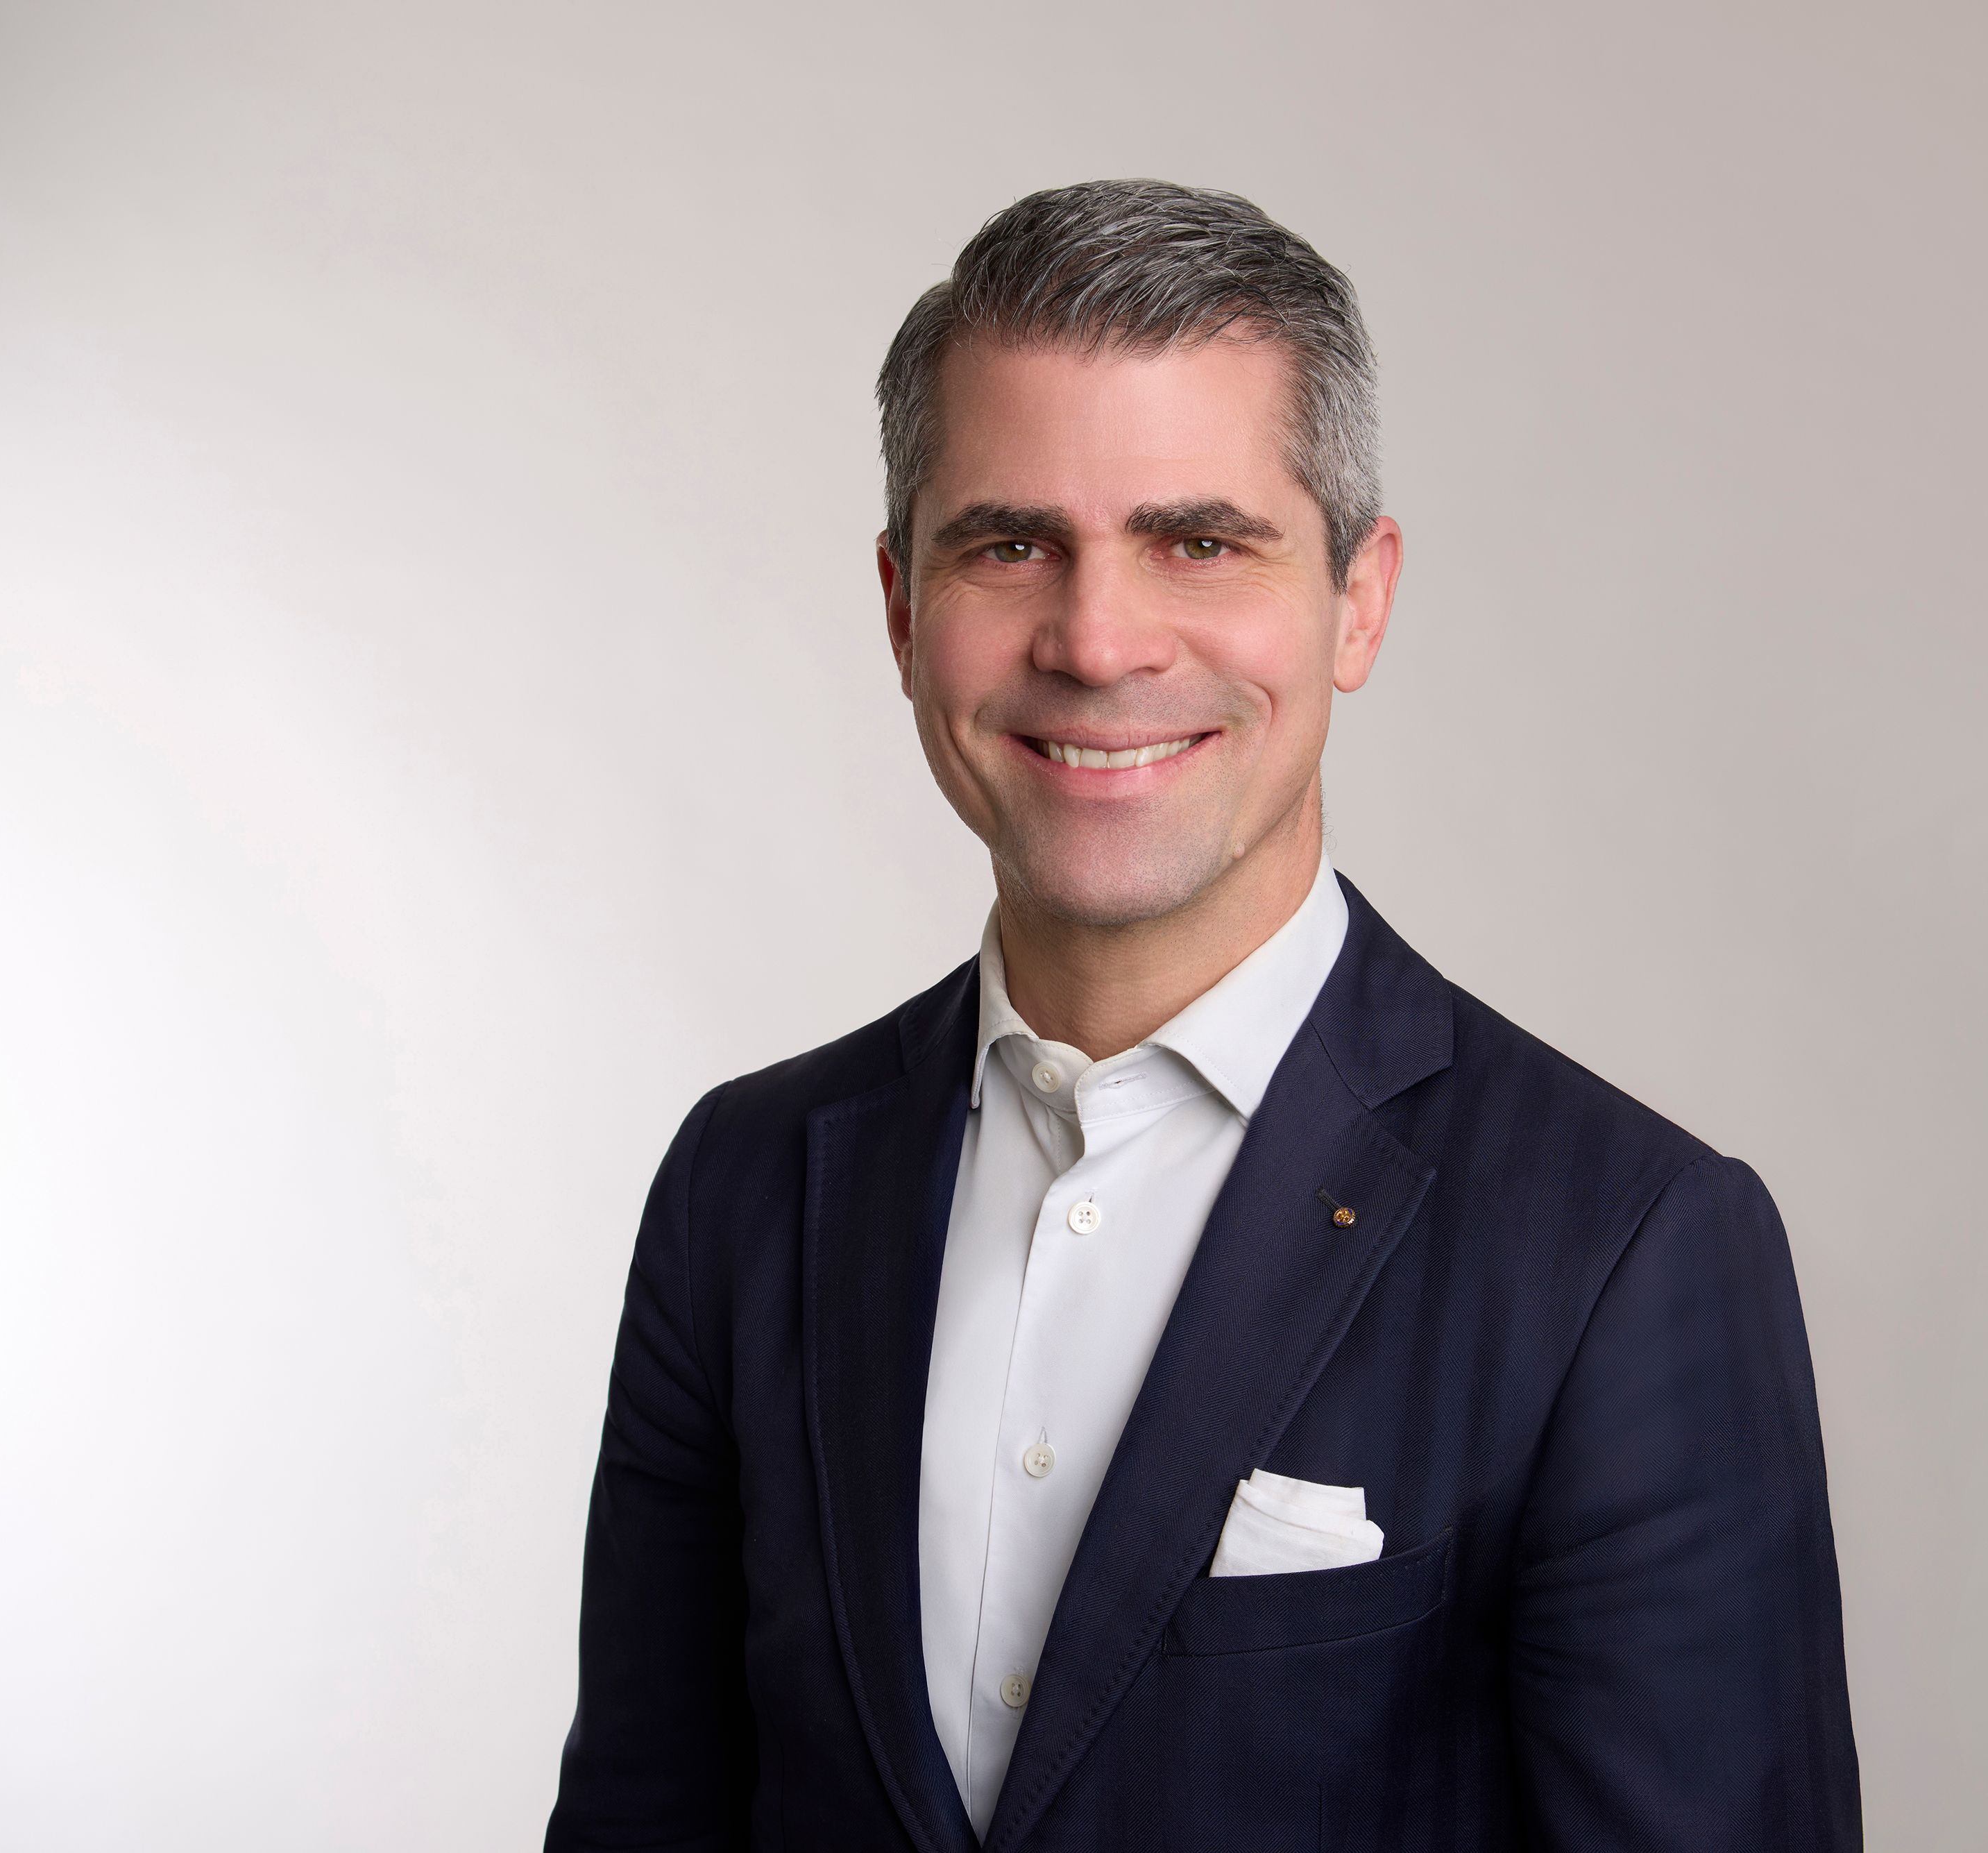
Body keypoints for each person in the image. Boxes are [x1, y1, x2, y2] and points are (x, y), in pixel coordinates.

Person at [543, 178, 1860, 1852]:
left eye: (1199, 542)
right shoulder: (744, 1184)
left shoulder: (1622, 1247)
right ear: (900, 608)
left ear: (1357, 599)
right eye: (1009, 545)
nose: (1098, 642)